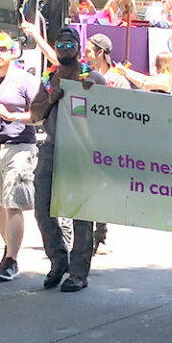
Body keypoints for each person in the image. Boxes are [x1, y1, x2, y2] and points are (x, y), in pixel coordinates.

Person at [30, 27, 106, 292]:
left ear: (78, 46)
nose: (64, 48)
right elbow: (34, 114)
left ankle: (78, 272)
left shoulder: (90, 76)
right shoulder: (50, 78)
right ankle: (58, 260)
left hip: (79, 152)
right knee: (42, 208)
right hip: (51, 148)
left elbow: (105, 108)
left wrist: (91, 89)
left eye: (69, 43)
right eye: (59, 44)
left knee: (80, 213)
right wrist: (51, 99)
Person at [0, 32, 40, 281]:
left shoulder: (25, 80)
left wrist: (12, 116)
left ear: (12, 52)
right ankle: (9, 249)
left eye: (2, 50)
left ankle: (11, 260)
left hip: (19, 147)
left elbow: (38, 114)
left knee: (14, 204)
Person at [83, 33, 129, 253]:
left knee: (101, 189)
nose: (84, 53)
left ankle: (100, 235)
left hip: (107, 144)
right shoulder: (82, 76)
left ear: (100, 53)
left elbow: (129, 111)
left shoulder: (118, 81)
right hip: (84, 141)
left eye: (89, 50)